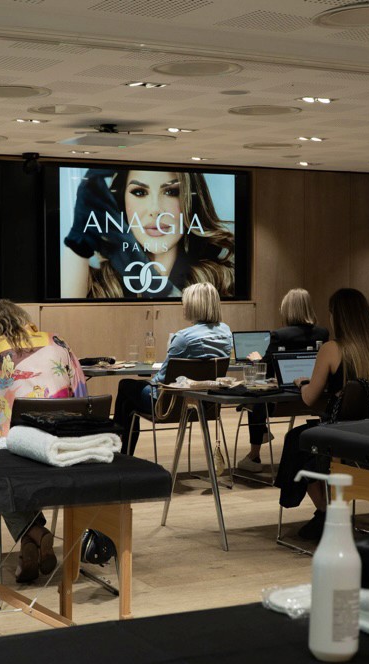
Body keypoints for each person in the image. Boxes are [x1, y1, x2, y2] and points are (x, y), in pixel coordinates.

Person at [0, 299, 87, 583]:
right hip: (62, 444)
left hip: (18, 449)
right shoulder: (57, 342)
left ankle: (37, 533)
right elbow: (81, 392)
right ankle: (29, 551)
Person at [275, 287, 369, 541]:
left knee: (298, 442)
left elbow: (310, 398)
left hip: (341, 439)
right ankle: (328, 512)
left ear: (338, 316)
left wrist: (302, 383)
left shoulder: (333, 349)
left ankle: (326, 512)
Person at [61, 168, 236, 299]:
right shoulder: (99, 282)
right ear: (121, 202)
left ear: (191, 202)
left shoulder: (221, 278)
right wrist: (79, 238)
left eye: (171, 192)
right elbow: (65, 318)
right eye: (139, 192)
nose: (155, 210)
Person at [114, 282, 232, 454]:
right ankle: (122, 452)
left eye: (185, 302)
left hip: (169, 406)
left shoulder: (184, 338)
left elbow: (163, 380)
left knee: (126, 387)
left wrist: (150, 381)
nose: (183, 306)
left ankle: (120, 452)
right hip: (206, 405)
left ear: (194, 306)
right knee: (130, 399)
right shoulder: (226, 332)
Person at [238, 288, 329, 472]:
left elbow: (268, 369)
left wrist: (257, 359)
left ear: (288, 309)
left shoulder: (280, 335)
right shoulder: (323, 333)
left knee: (253, 401)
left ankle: (254, 455)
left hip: (281, 399)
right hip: (315, 395)